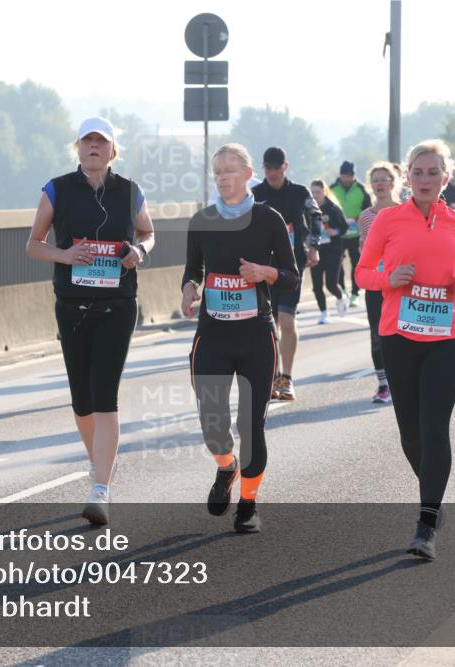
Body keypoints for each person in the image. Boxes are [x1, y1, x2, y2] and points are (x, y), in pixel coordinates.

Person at [355, 139, 455, 560]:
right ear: (406, 177)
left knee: (434, 428)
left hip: (445, 340)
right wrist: (389, 278)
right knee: (410, 434)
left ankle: (426, 522)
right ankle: (435, 496)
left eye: (434, 172)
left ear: (447, 177)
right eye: (418, 172)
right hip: (399, 337)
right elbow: (362, 273)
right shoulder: (388, 220)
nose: (425, 179)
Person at [26, 117, 155, 525]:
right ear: (77, 148)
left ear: (112, 150)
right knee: (82, 400)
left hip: (118, 304)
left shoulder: (131, 191)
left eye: (102, 142)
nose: (94, 147)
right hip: (73, 304)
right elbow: (33, 244)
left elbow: (148, 233)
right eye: (87, 141)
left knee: (104, 394)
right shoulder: (57, 189)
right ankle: (101, 467)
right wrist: (64, 256)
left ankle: (100, 488)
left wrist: (140, 251)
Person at [182, 143, 298, 534]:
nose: (223, 177)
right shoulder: (202, 220)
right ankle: (226, 466)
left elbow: (291, 275)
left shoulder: (269, 219)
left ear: (249, 174)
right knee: (213, 423)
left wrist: (265, 272)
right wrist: (189, 288)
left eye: (231, 170)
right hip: (212, 335)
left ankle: (248, 503)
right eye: (217, 171)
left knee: (252, 426)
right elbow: (192, 268)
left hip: (255, 336)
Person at [252, 147, 323, 401]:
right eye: (268, 167)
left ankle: (286, 378)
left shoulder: (300, 192)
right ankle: (272, 377)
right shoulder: (255, 194)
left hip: (291, 266)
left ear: (286, 166)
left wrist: (313, 247)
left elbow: (315, 217)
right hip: (262, 268)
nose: (272, 172)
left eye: (276, 167)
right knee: (267, 325)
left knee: (287, 320)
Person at [357, 162, 402, 404]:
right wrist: (365, 248)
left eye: (384, 179)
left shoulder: (405, 211)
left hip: (402, 283)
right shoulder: (366, 216)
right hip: (377, 282)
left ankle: (403, 380)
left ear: (393, 182)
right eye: (375, 180)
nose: (380, 184)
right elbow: (363, 247)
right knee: (377, 334)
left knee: (402, 332)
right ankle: (383, 384)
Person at [332, 161, 372, 308]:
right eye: (344, 175)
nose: (347, 178)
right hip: (339, 235)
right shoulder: (332, 189)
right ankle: (343, 290)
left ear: (354, 175)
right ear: (340, 175)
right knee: (338, 265)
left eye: (350, 175)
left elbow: (369, 209)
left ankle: (355, 294)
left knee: (357, 264)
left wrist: (357, 218)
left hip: (356, 234)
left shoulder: (362, 189)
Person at [309, 180, 349, 323]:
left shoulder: (332, 208)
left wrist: (335, 231)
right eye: (312, 192)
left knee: (331, 284)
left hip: (333, 250)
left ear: (324, 192)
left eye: (317, 192)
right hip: (316, 250)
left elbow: (345, 227)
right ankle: (324, 313)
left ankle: (340, 297)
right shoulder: (308, 209)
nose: (314, 195)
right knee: (317, 285)